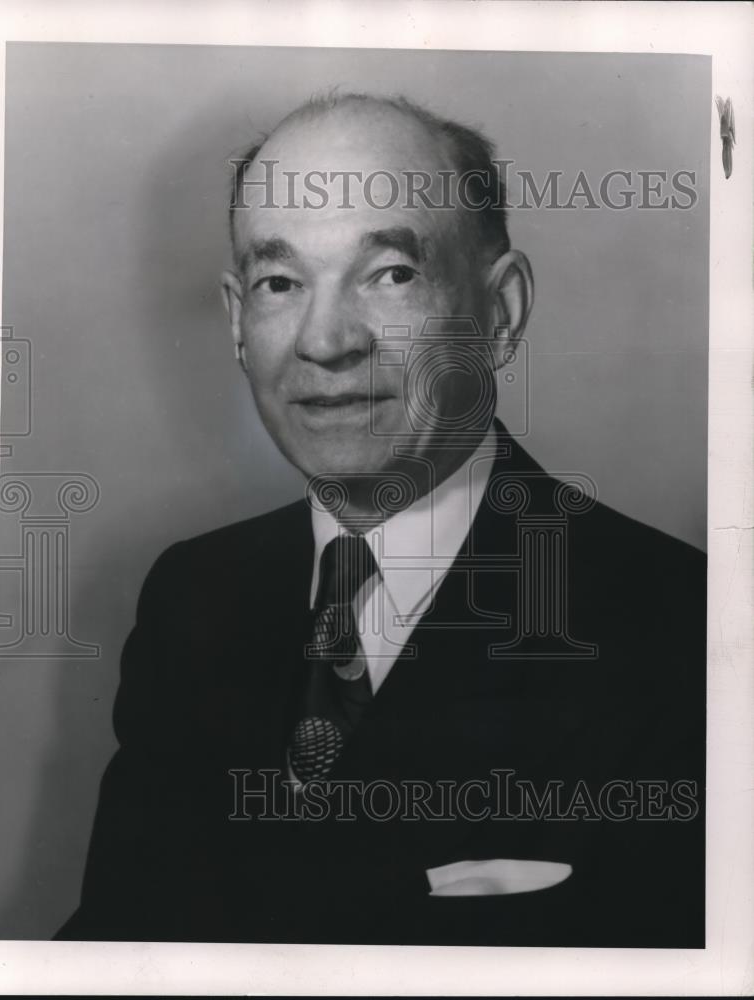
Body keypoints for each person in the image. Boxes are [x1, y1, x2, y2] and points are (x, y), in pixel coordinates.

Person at [56, 93, 705, 946]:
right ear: (236, 323)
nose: (324, 341)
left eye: (390, 274)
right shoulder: (192, 595)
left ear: (499, 314)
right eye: (279, 283)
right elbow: (115, 942)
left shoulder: (681, 627)